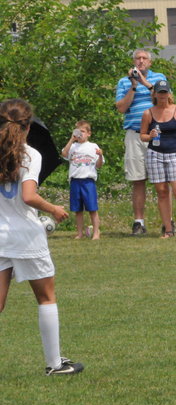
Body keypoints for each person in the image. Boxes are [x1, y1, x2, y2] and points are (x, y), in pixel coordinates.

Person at [0, 99, 84, 375]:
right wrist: (54, 209)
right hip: (26, 236)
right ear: (28, 126)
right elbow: (28, 196)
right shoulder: (30, 154)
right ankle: (54, 364)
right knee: (46, 297)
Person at [115, 49, 167, 236]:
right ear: (133, 62)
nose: (141, 61)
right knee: (138, 179)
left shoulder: (159, 78)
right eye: (138, 58)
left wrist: (145, 82)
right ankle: (139, 222)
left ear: (150, 63)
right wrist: (134, 86)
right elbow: (121, 108)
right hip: (135, 134)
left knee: (162, 180)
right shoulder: (124, 82)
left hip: (157, 133)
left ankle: (167, 222)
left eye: (144, 58)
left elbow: (164, 100)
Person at [140, 80, 176, 238]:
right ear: (155, 94)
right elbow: (142, 136)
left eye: (165, 92)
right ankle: (168, 229)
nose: (163, 95)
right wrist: (149, 136)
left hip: (175, 153)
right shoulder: (148, 113)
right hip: (155, 155)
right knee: (162, 192)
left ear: (169, 93)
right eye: (160, 92)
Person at [61, 120, 104, 240]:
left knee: (92, 208)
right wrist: (72, 139)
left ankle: (96, 233)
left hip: (88, 181)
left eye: (83, 132)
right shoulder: (73, 146)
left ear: (89, 133)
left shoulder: (93, 146)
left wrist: (100, 155)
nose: (80, 134)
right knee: (78, 210)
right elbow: (64, 154)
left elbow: (99, 165)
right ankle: (79, 233)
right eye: (78, 132)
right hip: (75, 180)